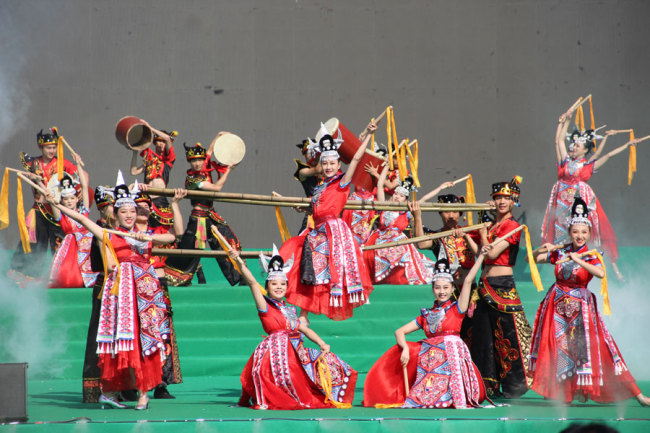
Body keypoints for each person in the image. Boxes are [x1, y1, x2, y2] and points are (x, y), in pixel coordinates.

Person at [49, 172, 175, 410]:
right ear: (116, 215)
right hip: (120, 294)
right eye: (124, 212)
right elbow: (82, 220)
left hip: (144, 294)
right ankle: (109, 392)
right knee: (120, 340)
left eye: (132, 211)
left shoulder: (144, 235)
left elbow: (172, 235)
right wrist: (56, 204)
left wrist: (140, 235)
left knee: (145, 338)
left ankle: (143, 393)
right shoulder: (107, 233)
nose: (129, 215)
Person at [530, 196, 650, 406]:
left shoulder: (592, 254)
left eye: (584, 232)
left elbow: (601, 273)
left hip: (582, 310)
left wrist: (577, 259)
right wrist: (544, 249)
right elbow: (531, 259)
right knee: (558, 348)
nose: (579, 236)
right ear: (570, 232)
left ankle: (637, 395)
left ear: (589, 234)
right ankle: (564, 395)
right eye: (575, 232)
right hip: (557, 307)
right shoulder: (561, 252)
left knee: (600, 346)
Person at [363, 249, 488, 408]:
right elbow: (399, 332)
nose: (441, 292)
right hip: (429, 362)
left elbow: (469, 280)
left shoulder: (457, 308)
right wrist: (405, 348)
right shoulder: (426, 315)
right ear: (433, 290)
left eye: (445, 288)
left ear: (451, 289)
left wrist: (482, 256)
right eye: (437, 288)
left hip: (451, 355)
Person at [235, 247, 357, 410]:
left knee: (328, 365)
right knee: (278, 383)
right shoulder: (265, 306)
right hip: (274, 353)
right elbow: (252, 283)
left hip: (294, 352)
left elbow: (305, 329)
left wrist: (322, 343)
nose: (278, 287)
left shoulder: (290, 310)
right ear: (267, 286)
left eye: (282, 284)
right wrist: (238, 262)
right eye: (274, 284)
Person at [279, 127, 375, 321]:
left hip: (332, 230)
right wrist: (304, 209)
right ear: (321, 165)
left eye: (332, 163)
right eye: (325, 163)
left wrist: (370, 135)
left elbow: (356, 159)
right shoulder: (320, 187)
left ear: (338, 163)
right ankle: (303, 313)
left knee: (314, 263)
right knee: (299, 255)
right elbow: (318, 209)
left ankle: (305, 313)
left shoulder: (341, 182)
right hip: (317, 227)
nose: (329, 166)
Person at [541, 104, 639, 279]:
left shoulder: (587, 166)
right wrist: (566, 119)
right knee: (560, 233)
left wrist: (627, 145)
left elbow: (607, 156)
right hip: (561, 199)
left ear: (585, 149)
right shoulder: (564, 161)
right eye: (574, 144)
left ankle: (604, 268)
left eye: (578, 145)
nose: (573, 147)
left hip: (578, 199)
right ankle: (560, 267)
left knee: (586, 230)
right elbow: (559, 140)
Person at [462, 177, 532, 398]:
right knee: (484, 338)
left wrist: (482, 232)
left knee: (507, 336)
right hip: (484, 285)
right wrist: (464, 234)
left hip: (502, 286)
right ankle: (487, 385)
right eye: (498, 197)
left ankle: (514, 386)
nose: (502, 201)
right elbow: (479, 253)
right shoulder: (493, 225)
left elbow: (490, 253)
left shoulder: (513, 226)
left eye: (506, 197)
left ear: (514, 201)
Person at [164, 133, 242, 286]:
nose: (198, 163)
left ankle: (239, 276)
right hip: (199, 217)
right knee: (191, 249)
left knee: (228, 242)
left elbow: (211, 149)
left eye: (200, 159)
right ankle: (179, 276)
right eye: (194, 161)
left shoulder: (204, 167)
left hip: (211, 216)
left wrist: (222, 135)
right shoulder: (193, 179)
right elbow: (216, 188)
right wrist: (228, 171)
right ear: (189, 162)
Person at [9, 127, 86, 279]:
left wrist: (80, 189)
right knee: (34, 242)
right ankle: (24, 275)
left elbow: (80, 174)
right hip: (39, 209)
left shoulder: (62, 163)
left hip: (57, 210)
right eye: (48, 147)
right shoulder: (33, 164)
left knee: (61, 244)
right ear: (41, 147)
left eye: (53, 147)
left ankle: (62, 275)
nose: (52, 150)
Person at [133, 186, 186, 399]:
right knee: (137, 330)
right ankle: (133, 382)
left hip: (158, 282)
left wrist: (174, 204)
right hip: (136, 282)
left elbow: (177, 235)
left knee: (162, 329)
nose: (143, 210)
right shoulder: (124, 231)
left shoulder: (156, 233)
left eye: (147, 206)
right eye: (138, 207)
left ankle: (161, 383)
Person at [362, 168, 433, 285]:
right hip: (379, 237)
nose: (397, 196)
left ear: (406, 199)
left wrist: (441, 188)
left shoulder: (407, 212)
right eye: (395, 193)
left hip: (398, 239)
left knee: (402, 250)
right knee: (368, 252)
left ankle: (397, 278)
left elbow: (424, 199)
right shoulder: (384, 206)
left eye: (401, 195)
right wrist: (386, 166)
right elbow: (380, 186)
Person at [82, 186, 115, 403]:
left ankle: (123, 386)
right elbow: (101, 265)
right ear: (104, 210)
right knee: (99, 335)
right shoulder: (100, 231)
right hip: (105, 286)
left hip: (121, 287)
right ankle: (95, 388)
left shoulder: (121, 230)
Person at [410, 191, 475, 290]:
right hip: (448, 289)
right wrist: (417, 217)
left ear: (460, 213)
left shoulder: (471, 232)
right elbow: (421, 244)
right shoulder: (438, 236)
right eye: (446, 212)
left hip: (471, 287)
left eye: (455, 212)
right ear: (441, 214)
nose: (451, 216)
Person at [47, 164, 99, 288]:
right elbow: (51, 199)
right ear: (62, 201)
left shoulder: (84, 211)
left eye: (72, 198)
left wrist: (78, 165)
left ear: (77, 199)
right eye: (65, 199)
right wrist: (40, 182)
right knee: (69, 275)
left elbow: (85, 186)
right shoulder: (62, 216)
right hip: (71, 246)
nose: (69, 201)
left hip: (88, 244)